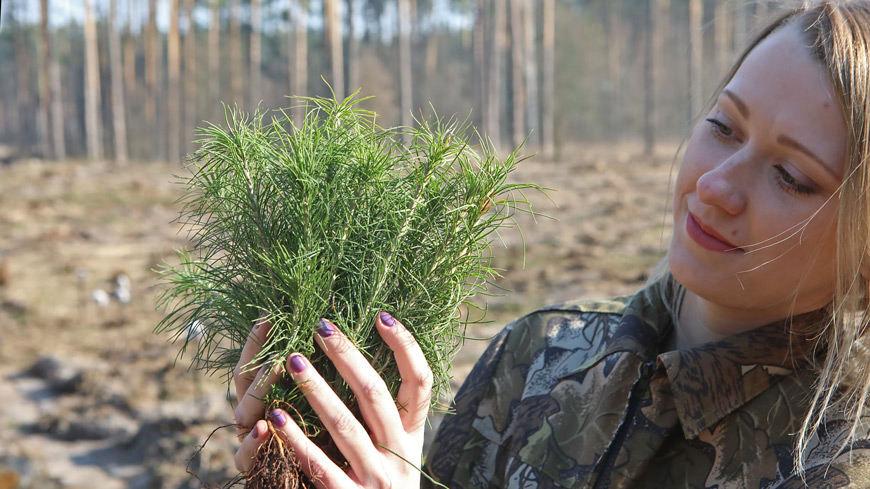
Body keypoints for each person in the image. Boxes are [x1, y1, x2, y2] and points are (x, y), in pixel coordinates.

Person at [231, 2, 870, 487]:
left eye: (792, 176)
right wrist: (322, 454)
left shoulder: (839, 460)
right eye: (724, 127)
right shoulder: (538, 353)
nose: (716, 185)